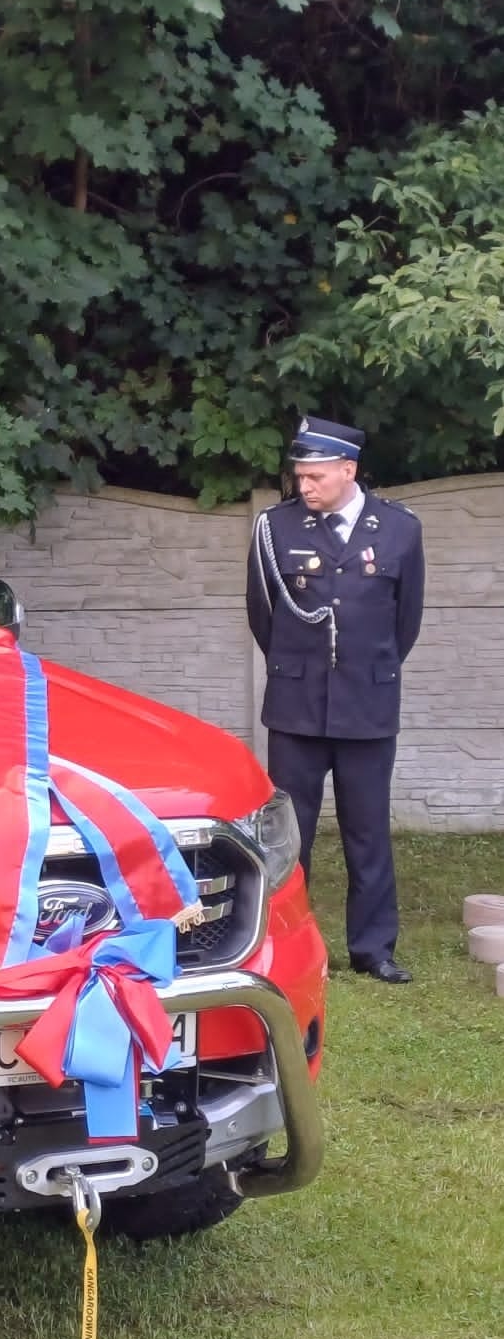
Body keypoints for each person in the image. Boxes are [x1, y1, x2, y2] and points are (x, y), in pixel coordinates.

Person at [246, 416, 425, 984]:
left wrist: (364, 670)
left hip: (367, 706)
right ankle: (285, 943)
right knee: (290, 833)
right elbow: (263, 614)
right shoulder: (276, 528)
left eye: (316, 476)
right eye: (300, 476)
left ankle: (373, 949)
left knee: (368, 831)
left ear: (348, 471)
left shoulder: (399, 529)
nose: (304, 486)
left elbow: (406, 621)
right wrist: (300, 668)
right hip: (297, 708)